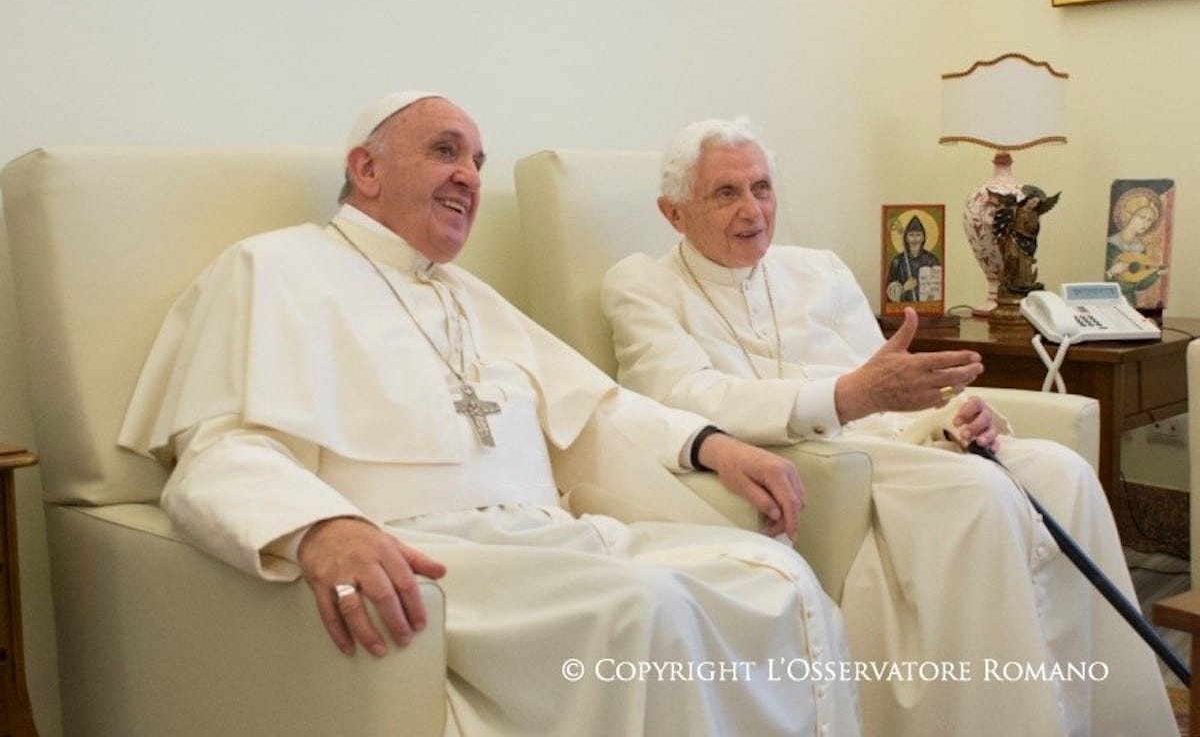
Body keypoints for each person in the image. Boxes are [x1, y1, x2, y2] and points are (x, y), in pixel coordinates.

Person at [117, 93, 862, 736]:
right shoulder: (270, 268)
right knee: (646, 604)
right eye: (446, 151)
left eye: (477, 159)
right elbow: (216, 448)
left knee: (778, 578)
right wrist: (318, 528)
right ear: (366, 169)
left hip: (550, 539)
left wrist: (712, 446)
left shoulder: (470, 295)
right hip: (430, 552)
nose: (470, 175)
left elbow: (599, 411)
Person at [601, 116, 1176, 737]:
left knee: (1064, 473)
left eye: (761, 187)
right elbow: (682, 395)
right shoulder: (642, 286)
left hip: (893, 440)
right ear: (673, 212)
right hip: (819, 462)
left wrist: (956, 413)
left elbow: (887, 382)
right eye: (726, 193)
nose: (753, 209)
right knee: (980, 495)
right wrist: (845, 397)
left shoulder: (817, 269)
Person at [1105, 189, 1168, 308]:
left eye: (1150, 220)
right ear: (1128, 215)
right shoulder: (1110, 244)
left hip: (1129, 304)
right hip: (1109, 303)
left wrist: (1156, 273)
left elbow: (1140, 284)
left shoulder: (1140, 248)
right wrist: (1111, 272)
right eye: (1142, 217)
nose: (1146, 223)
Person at [884, 215, 939, 303]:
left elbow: (937, 286)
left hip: (926, 306)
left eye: (918, 235)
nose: (914, 239)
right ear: (906, 238)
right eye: (911, 235)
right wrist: (904, 288)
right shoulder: (898, 262)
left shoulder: (932, 260)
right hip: (903, 307)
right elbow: (889, 293)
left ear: (923, 237)